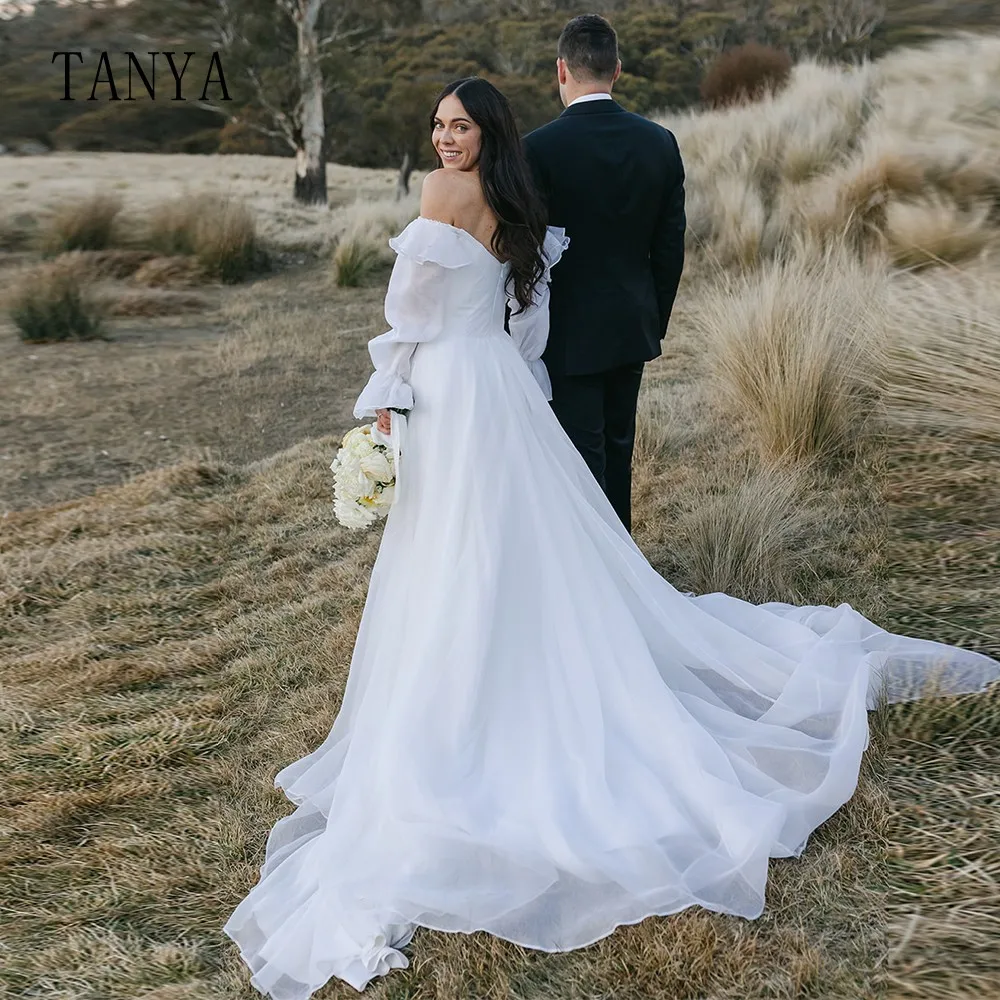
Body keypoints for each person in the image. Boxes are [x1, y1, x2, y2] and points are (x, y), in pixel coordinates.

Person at [223, 72, 1000, 1000]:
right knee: (508, 547)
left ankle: (468, 697)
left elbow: (409, 317)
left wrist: (387, 404)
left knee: (456, 555)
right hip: (500, 396)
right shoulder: (518, 205)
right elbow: (524, 323)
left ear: (487, 132)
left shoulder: (441, 196)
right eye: (437, 127)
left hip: (450, 396)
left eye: (459, 126)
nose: (444, 141)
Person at [522, 14, 686, 533]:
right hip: (632, 322)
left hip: (566, 333)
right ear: (616, 70)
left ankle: (603, 583)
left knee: (579, 457)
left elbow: (524, 250)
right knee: (619, 448)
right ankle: (626, 572)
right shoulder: (659, 142)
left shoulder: (537, 148)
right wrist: (652, 318)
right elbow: (669, 248)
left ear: (561, 71)